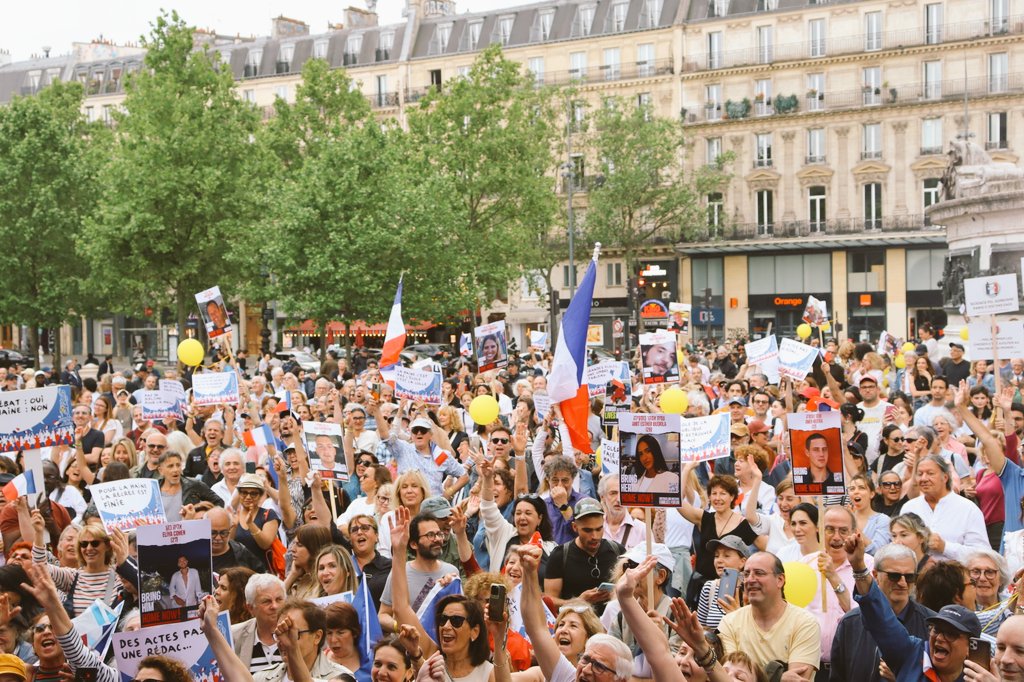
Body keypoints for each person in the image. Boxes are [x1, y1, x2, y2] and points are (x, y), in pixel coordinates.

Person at [846, 530, 980, 682]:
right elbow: (881, 620)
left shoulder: (979, 678)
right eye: (936, 630)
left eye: (951, 634)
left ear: (970, 647)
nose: (940, 638)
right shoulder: (912, 654)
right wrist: (859, 567)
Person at [517, 543, 633, 682]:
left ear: (620, 680)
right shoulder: (569, 678)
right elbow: (536, 628)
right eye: (586, 659)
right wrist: (529, 572)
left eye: (599, 666)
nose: (587, 669)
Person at [829, 543, 934, 682]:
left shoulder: (932, 625)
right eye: (894, 576)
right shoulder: (850, 623)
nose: (902, 583)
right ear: (875, 575)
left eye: (909, 577)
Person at [717, 551, 821, 678]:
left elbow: (797, 680)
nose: (750, 580)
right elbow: (731, 677)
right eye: (746, 574)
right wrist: (778, 677)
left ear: (780, 580)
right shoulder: (730, 622)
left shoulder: (804, 623)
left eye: (759, 573)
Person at [378, 510, 460, 634]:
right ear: (414, 544)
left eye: (439, 534)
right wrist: (400, 627)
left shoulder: (451, 572)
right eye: (430, 535)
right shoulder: (400, 573)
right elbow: (382, 615)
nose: (437, 539)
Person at [901, 454, 988, 561]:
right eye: (919, 474)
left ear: (945, 477)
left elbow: (983, 554)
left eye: (930, 473)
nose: (923, 478)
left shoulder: (968, 509)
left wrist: (945, 547)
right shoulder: (909, 508)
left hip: (956, 575)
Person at [544, 498, 622, 612]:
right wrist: (579, 601)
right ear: (575, 527)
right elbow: (549, 601)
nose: (594, 536)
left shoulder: (617, 551)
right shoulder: (560, 555)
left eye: (599, 529)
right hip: (575, 625)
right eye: (587, 530)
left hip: (611, 626)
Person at [253, 598, 353, 682]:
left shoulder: (339, 677)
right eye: (279, 633)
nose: (284, 641)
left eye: (292, 634)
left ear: (317, 636)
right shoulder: (262, 678)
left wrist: (292, 648)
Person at [230, 573, 286, 671]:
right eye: (266, 601)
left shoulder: (301, 633)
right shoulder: (233, 636)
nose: (275, 606)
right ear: (251, 608)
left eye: (279, 599)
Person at [208, 507, 263, 572]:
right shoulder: (195, 555)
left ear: (230, 529)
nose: (218, 538)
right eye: (213, 533)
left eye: (223, 533)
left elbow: (261, 577)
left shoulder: (242, 553)